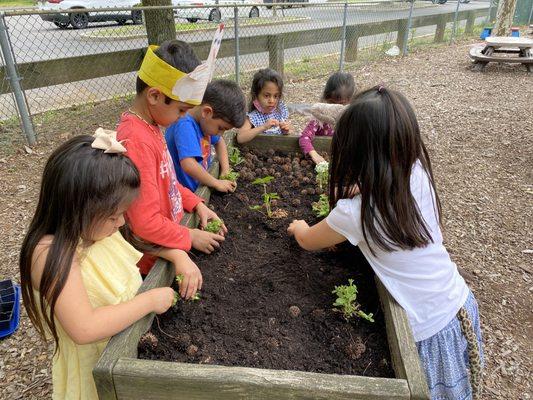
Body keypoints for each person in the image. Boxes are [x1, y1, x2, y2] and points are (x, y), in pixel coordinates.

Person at [288, 86, 484, 400]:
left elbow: (309, 241)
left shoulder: (355, 215)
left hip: (426, 332)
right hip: (459, 304)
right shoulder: (415, 170)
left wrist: (298, 227)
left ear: (355, 153)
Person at [19, 133, 196, 400]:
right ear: (77, 210)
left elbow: (135, 242)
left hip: (126, 347)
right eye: (114, 216)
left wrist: (176, 255)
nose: (122, 223)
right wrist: (149, 301)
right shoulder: (49, 253)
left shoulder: (95, 230)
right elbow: (84, 328)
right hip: (97, 368)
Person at [117, 39, 226, 280]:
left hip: (171, 240)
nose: (184, 117)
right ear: (155, 96)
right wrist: (189, 236)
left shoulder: (151, 126)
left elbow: (166, 183)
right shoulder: (136, 142)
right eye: (181, 110)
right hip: (154, 261)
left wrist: (197, 204)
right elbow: (143, 223)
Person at [166, 79, 246, 193]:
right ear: (207, 112)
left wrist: (225, 170)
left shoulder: (204, 122)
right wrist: (216, 182)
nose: (220, 133)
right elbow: (189, 164)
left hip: (201, 188)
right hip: (187, 196)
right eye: (221, 128)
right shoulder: (184, 125)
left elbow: (220, 142)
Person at [299, 72, 355, 165]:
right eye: (331, 103)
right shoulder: (319, 119)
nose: (334, 108)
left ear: (350, 102)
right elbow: (304, 138)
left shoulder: (351, 120)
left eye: (341, 104)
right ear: (325, 98)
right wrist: (314, 154)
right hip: (323, 157)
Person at [236, 68, 292, 143]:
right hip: (260, 151)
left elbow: (290, 131)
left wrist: (286, 130)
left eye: (276, 96)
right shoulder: (253, 117)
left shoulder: (280, 110)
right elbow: (240, 138)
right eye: (266, 96)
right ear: (256, 95)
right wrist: (263, 127)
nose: (272, 101)